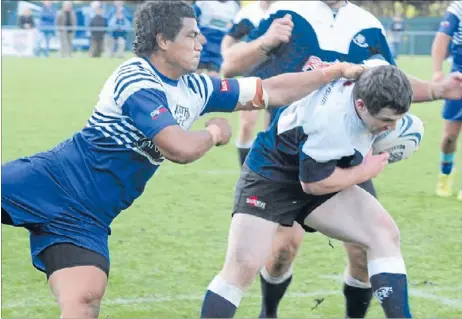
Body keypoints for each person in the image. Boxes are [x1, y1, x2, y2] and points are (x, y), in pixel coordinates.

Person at [1, 1, 365, 318]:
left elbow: (269, 90)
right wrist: (214, 134)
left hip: (88, 219)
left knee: (84, 299)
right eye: (192, 35)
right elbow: (179, 148)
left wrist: (331, 73)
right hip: (48, 182)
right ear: (163, 40)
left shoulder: (195, 87)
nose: (201, 42)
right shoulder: (136, 79)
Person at [219, 1, 462, 318]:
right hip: (288, 156)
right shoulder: (288, 13)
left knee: (366, 249)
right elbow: (230, 68)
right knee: (282, 251)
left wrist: (434, 89)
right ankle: (270, 312)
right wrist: (265, 42)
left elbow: (389, 80)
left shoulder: (367, 24)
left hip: (348, 154)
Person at [221, 0, 275, 165]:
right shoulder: (249, 13)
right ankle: (244, 172)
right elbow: (229, 39)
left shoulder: (290, 9)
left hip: (280, 77)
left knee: (272, 130)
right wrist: (229, 59)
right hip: (253, 76)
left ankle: (269, 174)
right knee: (247, 125)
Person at [432, 1, 462, 201]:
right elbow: (442, 39)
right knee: (450, 136)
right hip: (458, 78)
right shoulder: (458, 7)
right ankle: (445, 173)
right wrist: (437, 72)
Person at [193, 0, 240, 76]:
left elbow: (238, 27)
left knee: (214, 75)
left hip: (220, 45)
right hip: (203, 42)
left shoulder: (235, 6)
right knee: (196, 72)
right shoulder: (202, 3)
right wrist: (197, 34)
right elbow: (191, 18)